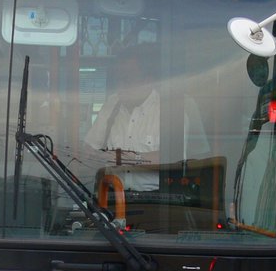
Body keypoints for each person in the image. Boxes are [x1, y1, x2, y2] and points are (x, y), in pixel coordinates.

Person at [82, 51, 210, 191]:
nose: (121, 86)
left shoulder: (171, 110)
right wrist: (95, 156)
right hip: (111, 196)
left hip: (157, 201)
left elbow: (174, 159)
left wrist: (131, 158)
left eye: (128, 80)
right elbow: (89, 148)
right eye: (118, 80)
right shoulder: (112, 104)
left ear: (147, 81)